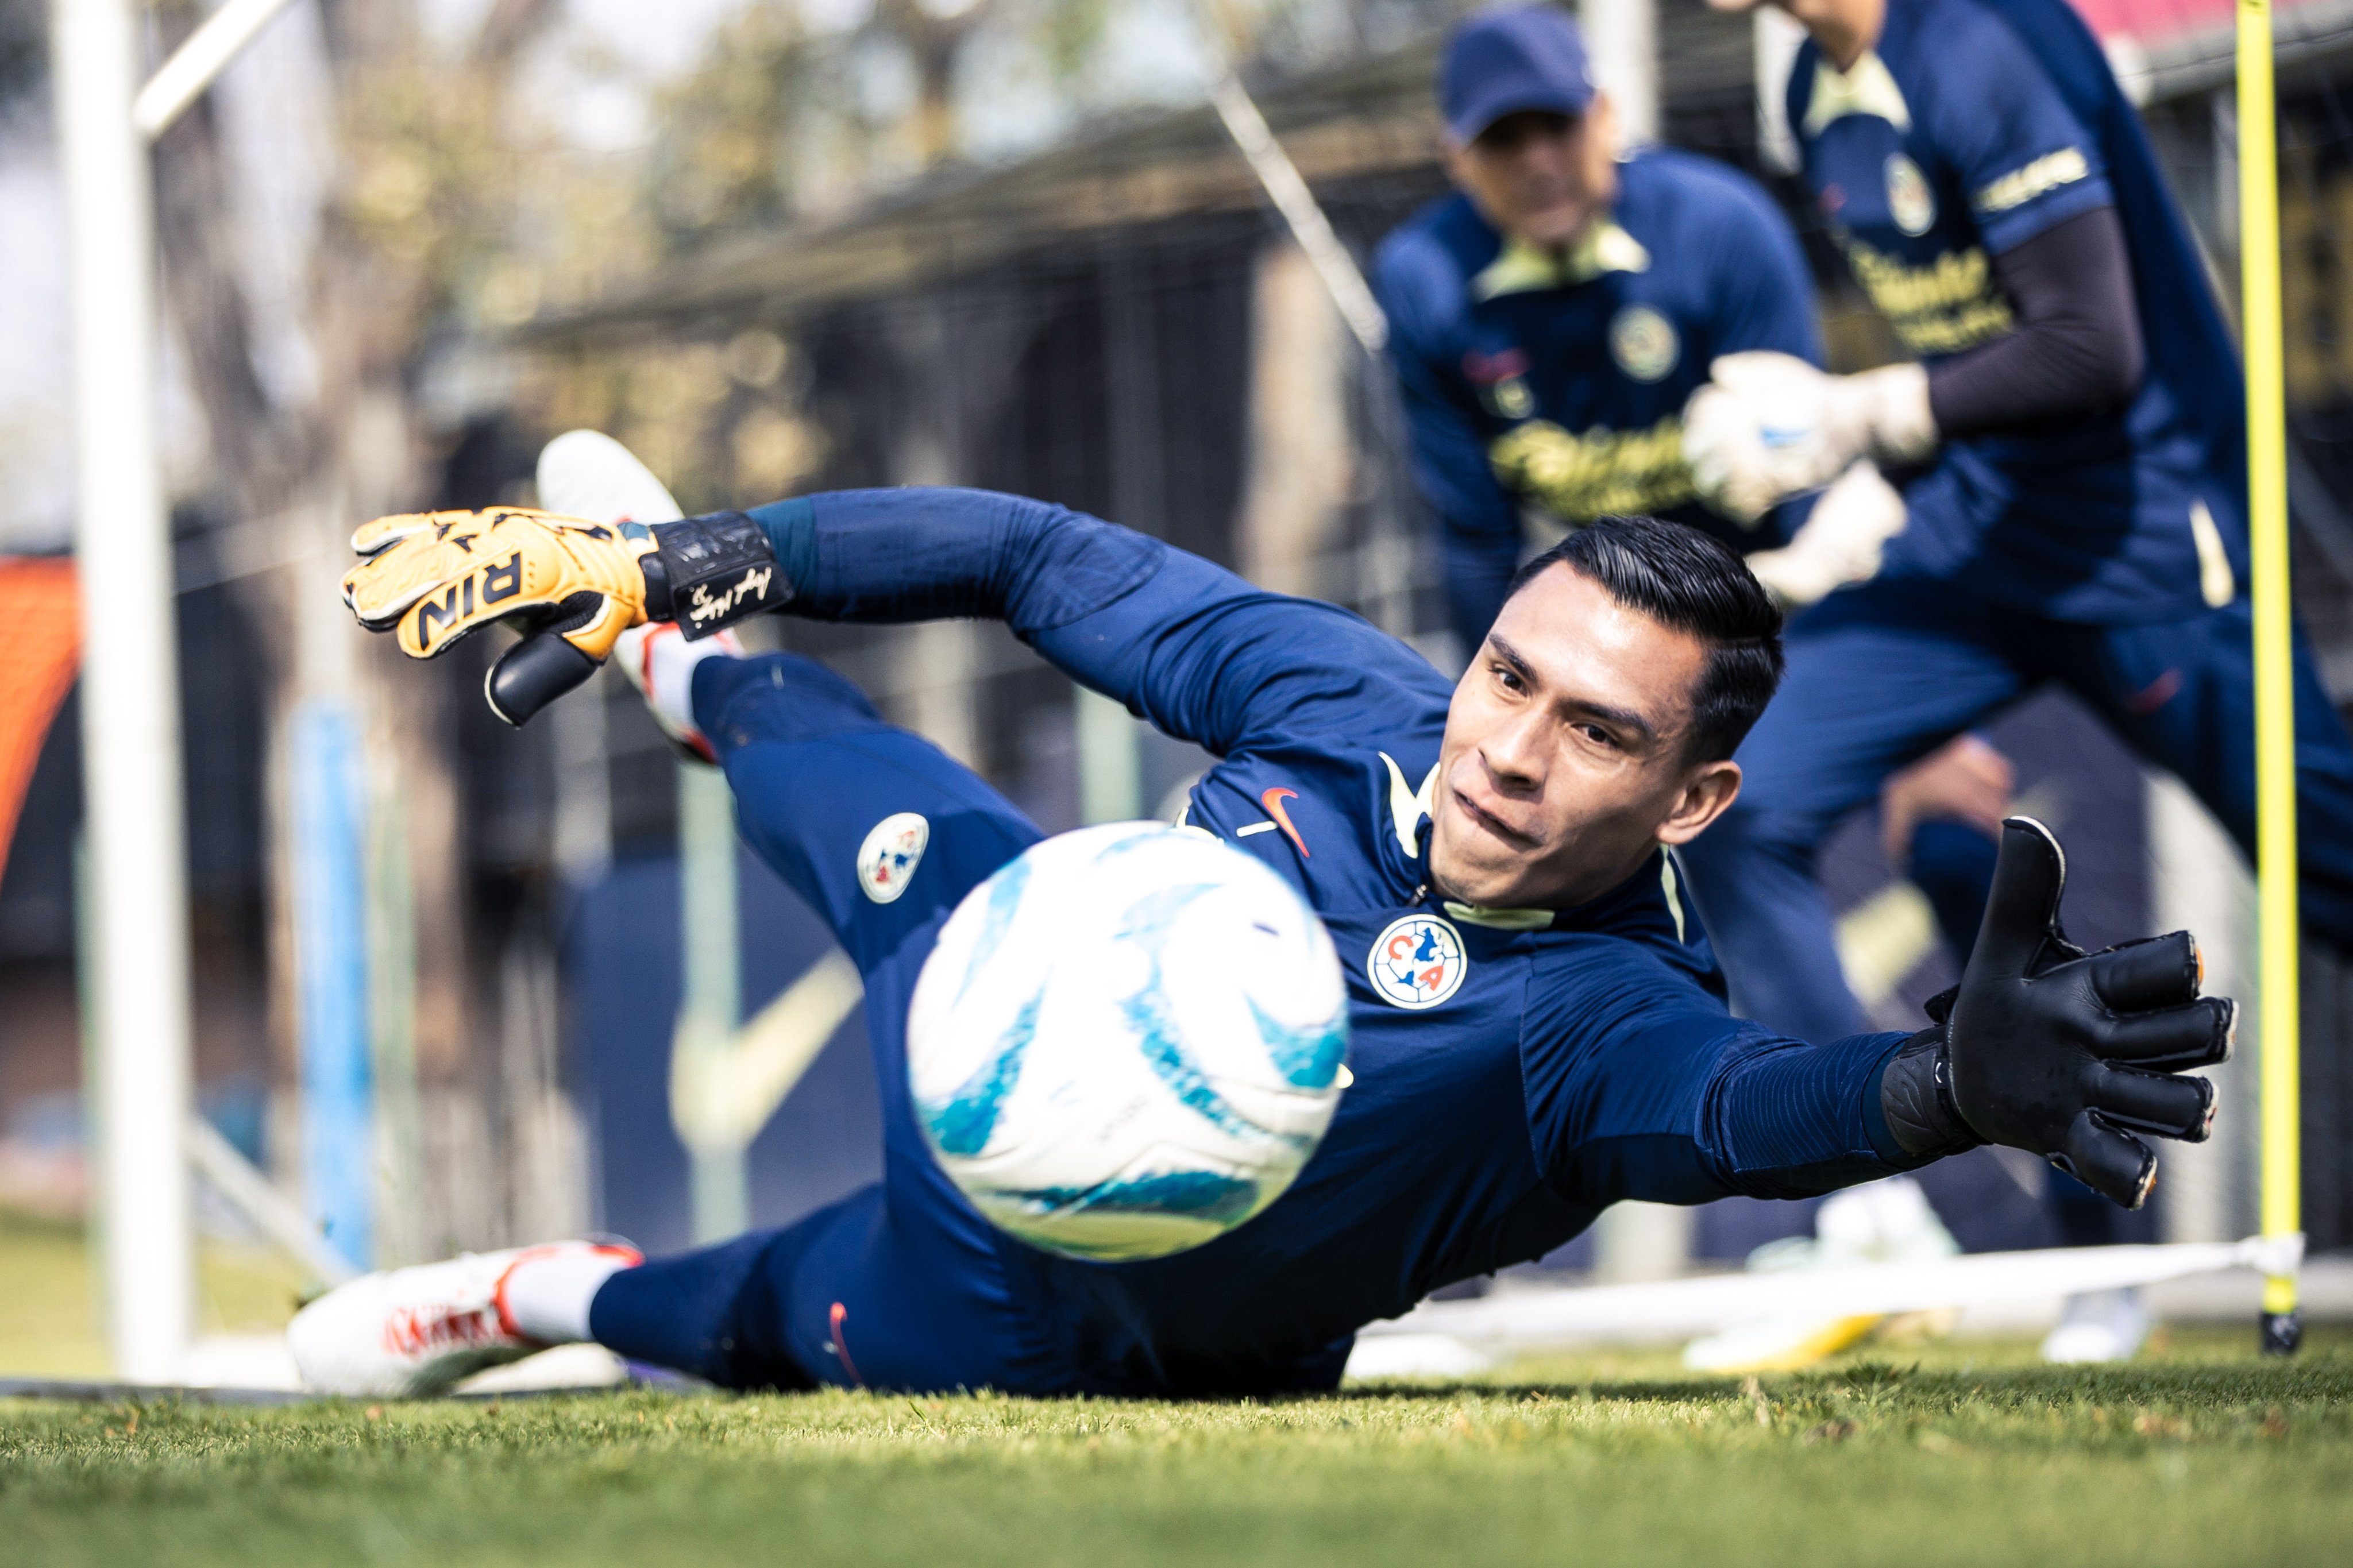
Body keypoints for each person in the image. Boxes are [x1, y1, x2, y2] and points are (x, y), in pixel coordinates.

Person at [294, 488, 2227, 1398]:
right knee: (801, 741)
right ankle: (664, 626)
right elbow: (1045, 566)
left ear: (1690, 804)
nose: (1507, 751)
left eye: (1598, 734)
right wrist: (700, 545)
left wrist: (1938, 1088)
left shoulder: (1605, 1016)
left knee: (703, 1316)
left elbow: (1740, 1111)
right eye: (1506, 678)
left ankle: (521, 1298)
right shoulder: (1353, 703)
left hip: (1035, 1321)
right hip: (1005, 945)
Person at [1677, 0, 2353, 1358]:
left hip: (2149, 553)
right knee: (1739, 804)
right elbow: (1973, 348)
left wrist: (1861, 413)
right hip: (1971, 548)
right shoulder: (1818, 86)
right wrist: (1868, 495)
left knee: (2333, 867)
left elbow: (2090, 343)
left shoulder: (1976, 45)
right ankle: (1882, 1228)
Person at [1374, 4, 1909, 650]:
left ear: (1605, 117)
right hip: (1615, 623)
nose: (1539, 161)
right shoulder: (1424, 281)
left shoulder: (1718, 227)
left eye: (1558, 125)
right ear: (1455, 157)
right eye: (1504, 140)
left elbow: (1801, 473)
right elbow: (1475, 535)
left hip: (1776, 588)